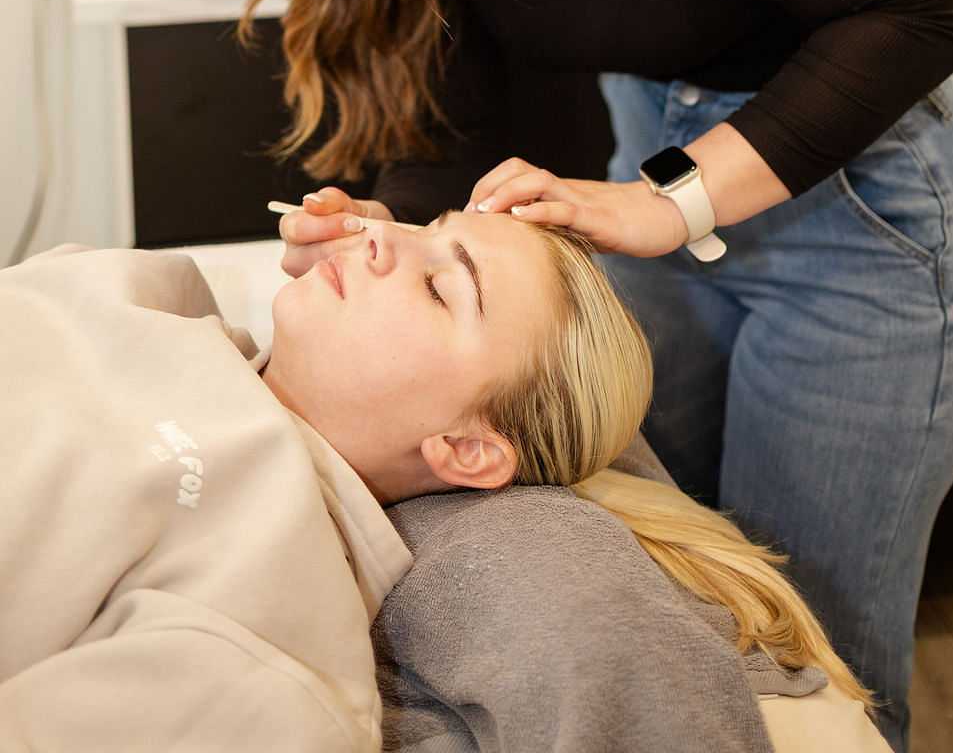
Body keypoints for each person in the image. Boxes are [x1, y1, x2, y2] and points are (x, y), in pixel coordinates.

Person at [223, 0, 953, 752]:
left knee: (811, 647)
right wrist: (380, 228)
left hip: (859, 204)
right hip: (663, 190)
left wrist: (667, 199)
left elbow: (913, 13)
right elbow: (458, 115)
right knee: (675, 575)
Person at [0, 212, 884, 752]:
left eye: (439, 287)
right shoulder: (150, 289)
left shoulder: (268, 614)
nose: (376, 234)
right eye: (427, 229)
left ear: (467, 450)